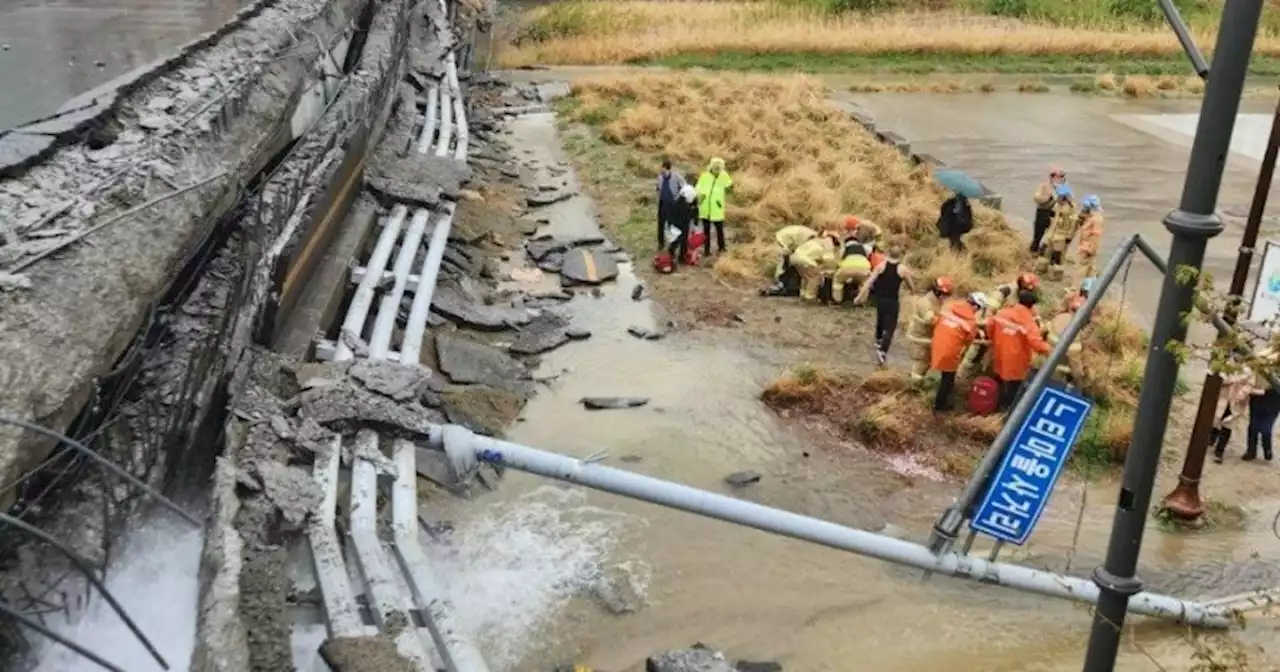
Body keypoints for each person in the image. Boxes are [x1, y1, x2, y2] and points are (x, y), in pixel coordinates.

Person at [988, 289, 1052, 411]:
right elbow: (1036, 343)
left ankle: (992, 404)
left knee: (998, 380)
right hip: (1017, 359)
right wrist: (1050, 350)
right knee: (1013, 387)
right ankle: (1005, 410)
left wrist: (993, 339)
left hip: (999, 351)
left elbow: (990, 325)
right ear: (1032, 306)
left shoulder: (1002, 313)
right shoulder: (1028, 322)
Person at [931, 292, 989, 411]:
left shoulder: (950, 307)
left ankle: (939, 399)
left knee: (944, 375)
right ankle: (940, 406)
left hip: (937, 343)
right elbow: (969, 340)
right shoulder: (970, 322)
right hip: (950, 351)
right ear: (975, 306)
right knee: (948, 380)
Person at [856, 244, 911, 365]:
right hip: (892, 300)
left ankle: (878, 339)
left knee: (880, 319)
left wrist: (859, 297)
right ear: (900, 256)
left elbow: (869, 282)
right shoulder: (902, 269)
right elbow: (910, 284)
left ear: (887, 254)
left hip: (880, 300)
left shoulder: (880, 267)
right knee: (891, 326)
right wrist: (913, 291)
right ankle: (883, 350)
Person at [1043, 278, 1093, 386]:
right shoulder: (1075, 337)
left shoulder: (1058, 318)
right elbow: (1076, 368)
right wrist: (1081, 384)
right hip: (1056, 370)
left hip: (1044, 359)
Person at [902, 276, 953, 380]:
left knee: (926, 362)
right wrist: (949, 324)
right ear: (938, 292)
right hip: (919, 338)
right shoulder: (925, 303)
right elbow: (931, 319)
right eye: (945, 294)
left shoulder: (936, 301)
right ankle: (914, 384)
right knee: (920, 364)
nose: (946, 297)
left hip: (926, 338)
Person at [1210, 358, 1254, 463]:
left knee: (1228, 424)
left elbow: (1250, 385)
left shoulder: (1248, 370)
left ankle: (1219, 452)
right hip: (1223, 398)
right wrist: (1233, 380)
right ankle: (1211, 437)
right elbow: (1220, 379)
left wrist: (1243, 393)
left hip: (1236, 402)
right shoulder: (1227, 366)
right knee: (1216, 419)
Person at [1245, 347, 1280, 462]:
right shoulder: (1265, 359)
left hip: (1273, 403)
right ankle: (1251, 451)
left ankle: (1267, 449)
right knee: (1253, 426)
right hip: (1257, 400)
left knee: (1266, 429)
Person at [695, 157, 733, 258]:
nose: (717, 171)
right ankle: (707, 250)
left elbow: (729, 185)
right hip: (705, 208)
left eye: (719, 169)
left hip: (717, 208)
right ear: (711, 167)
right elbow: (698, 188)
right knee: (706, 230)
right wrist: (699, 198)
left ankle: (722, 248)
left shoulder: (723, 175)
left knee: (719, 229)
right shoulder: (705, 176)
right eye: (715, 169)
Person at [1040, 184, 1078, 281]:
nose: (1058, 197)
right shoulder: (1057, 205)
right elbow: (1052, 216)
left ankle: (1057, 275)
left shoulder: (1071, 208)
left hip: (1061, 235)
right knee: (1044, 250)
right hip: (1051, 232)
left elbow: (1073, 224)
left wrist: (1069, 236)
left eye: (1060, 196)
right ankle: (1041, 269)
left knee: (1057, 256)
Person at [790, 230, 840, 302]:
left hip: (795, 257)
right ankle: (810, 299)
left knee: (806, 277)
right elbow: (828, 259)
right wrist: (832, 269)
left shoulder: (816, 240)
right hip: (806, 260)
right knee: (815, 277)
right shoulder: (828, 242)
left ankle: (802, 295)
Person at [767, 224, 818, 292]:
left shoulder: (812, 236)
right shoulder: (813, 239)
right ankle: (780, 281)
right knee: (785, 261)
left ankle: (783, 281)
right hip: (786, 238)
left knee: (790, 260)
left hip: (789, 237)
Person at [1031, 167, 1067, 253]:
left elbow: (1069, 202)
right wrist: (1047, 199)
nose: (1061, 179)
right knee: (1038, 236)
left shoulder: (1064, 188)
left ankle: (1046, 253)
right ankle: (1033, 251)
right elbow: (1036, 198)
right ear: (1052, 177)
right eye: (1059, 177)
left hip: (1056, 215)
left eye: (1062, 177)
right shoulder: (1044, 186)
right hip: (1043, 212)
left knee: (1052, 237)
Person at [831, 234, 873, 304]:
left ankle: (837, 300)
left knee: (838, 280)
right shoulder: (865, 247)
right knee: (864, 283)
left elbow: (839, 260)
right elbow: (870, 254)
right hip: (864, 268)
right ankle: (861, 301)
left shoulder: (844, 248)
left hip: (847, 268)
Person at [665, 184, 699, 269]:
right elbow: (674, 215)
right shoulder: (678, 203)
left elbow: (694, 211)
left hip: (684, 223)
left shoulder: (691, 200)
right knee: (677, 239)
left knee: (683, 240)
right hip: (677, 223)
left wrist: (695, 221)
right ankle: (672, 252)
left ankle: (681, 257)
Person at [656, 159, 687, 251]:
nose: (660, 169)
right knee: (660, 223)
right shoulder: (660, 177)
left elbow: (684, 186)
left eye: (662, 167)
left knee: (671, 224)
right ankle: (661, 243)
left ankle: (673, 244)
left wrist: (679, 197)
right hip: (662, 203)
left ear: (665, 168)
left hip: (673, 204)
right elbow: (658, 188)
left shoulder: (676, 177)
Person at [1074, 194, 1105, 279]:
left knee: (1081, 267)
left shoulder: (1096, 219)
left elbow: (1096, 235)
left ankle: (1075, 288)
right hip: (1086, 245)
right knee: (1091, 268)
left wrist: (1091, 248)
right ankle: (1091, 286)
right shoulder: (1091, 217)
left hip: (1088, 246)